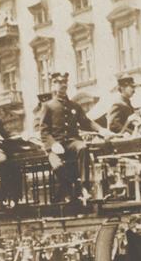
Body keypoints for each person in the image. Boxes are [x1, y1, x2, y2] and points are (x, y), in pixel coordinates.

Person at [39, 72, 110, 203]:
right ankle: (68, 189)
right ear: (53, 85)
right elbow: (44, 130)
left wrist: (101, 130)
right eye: (59, 82)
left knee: (83, 147)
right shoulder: (48, 106)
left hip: (72, 143)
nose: (63, 85)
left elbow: (86, 122)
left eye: (65, 82)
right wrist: (53, 144)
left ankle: (84, 187)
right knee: (58, 167)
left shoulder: (74, 106)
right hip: (56, 145)